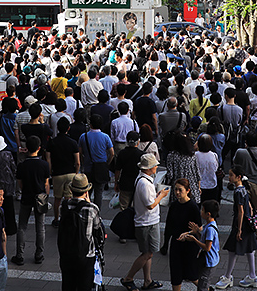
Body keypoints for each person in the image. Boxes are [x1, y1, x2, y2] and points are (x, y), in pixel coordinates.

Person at [121, 153, 169, 291]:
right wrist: (161, 195)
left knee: (148, 253)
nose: (156, 167)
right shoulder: (144, 183)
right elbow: (151, 205)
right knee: (147, 254)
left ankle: (147, 280)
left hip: (146, 221)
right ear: (149, 168)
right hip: (147, 222)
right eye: (154, 166)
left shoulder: (142, 178)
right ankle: (128, 278)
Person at [214, 165, 257, 289]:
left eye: (231, 175)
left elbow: (241, 211)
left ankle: (228, 277)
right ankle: (253, 276)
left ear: (238, 177)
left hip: (240, 224)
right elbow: (248, 206)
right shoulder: (243, 189)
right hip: (248, 224)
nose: (230, 177)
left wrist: (239, 229)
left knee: (232, 250)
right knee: (250, 249)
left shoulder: (238, 192)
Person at [58, 173, 104, 291]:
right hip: (86, 255)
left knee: (68, 285)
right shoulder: (91, 208)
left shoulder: (63, 206)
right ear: (86, 192)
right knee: (85, 286)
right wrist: (88, 202)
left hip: (66, 254)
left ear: (72, 190)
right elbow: (99, 230)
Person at [12, 135, 51, 265]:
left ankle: (20, 255)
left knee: (22, 226)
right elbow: (46, 184)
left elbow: (20, 183)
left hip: (26, 197)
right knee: (40, 227)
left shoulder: (22, 165)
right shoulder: (44, 165)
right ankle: (39, 254)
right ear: (39, 148)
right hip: (40, 197)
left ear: (26, 148)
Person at [164, 179, 201, 291]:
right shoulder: (174, 205)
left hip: (189, 245)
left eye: (180, 190)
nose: (177, 192)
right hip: (176, 243)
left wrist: (190, 233)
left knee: (191, 275)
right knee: (175, 275)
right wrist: (165, 244)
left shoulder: (193, 207)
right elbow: (168, 225)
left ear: (188, 190)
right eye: (176, 189)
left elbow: (199, 228)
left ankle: (206, 289)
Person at [46, 117, 80, 226]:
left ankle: (56, 219)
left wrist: (50, 171)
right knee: (68, 198)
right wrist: (76, 173)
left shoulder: (52, 142)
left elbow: (48, 159)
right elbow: (77, 162)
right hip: (70, 173)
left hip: (57, 173)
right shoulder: (73, 143)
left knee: (57, 199)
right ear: (68, 128)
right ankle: (67, 219)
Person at [181, 200, 221, 291]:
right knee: (201, 285)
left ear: (208, 214)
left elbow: (207, 248)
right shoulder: (209, 225)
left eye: (202, 210)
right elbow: (204, 240)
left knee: (203, 286)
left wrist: (194, 239)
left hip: (209, 261)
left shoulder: (210, 229)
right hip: (207, 260)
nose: (201, 212)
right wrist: (197, 233)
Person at [79, 114, 114, 212]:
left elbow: (80, 153)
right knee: (99, 193)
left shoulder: (83, 136)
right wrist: (107, 163)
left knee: (87, 192)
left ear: (90, 124)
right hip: (101, 167)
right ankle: (96, 212)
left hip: (88, 167)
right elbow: (112, 153)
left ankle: (85, 210)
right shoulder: (105, 137)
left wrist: (83, 164)